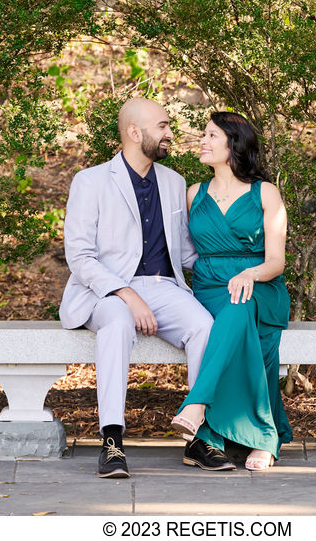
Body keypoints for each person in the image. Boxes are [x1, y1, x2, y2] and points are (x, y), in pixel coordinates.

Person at [59, 97, 236, 477]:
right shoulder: (90, 181)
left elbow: (186, 252)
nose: (170, 134)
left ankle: (198, 437)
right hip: (103, 291)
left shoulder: (174, 182)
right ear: (134, 133)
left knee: (204, 326)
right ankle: (111, 440)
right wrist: (126, 294)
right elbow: (80, 256)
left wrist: (239, 271)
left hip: (163, 285)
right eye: (162, 126)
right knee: (119, 323)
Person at [171, 111, 293, 471]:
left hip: (259, 286)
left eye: (211, 136)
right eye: (203, 135)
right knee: (229, 327)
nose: (203, 141)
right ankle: (258, 436)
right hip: (208, 288)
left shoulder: (264, 192)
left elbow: (277, 260)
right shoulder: (195, 193)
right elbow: (182, 251)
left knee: (239, 307)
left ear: (233, 144)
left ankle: (198, 409)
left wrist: (250, 274)